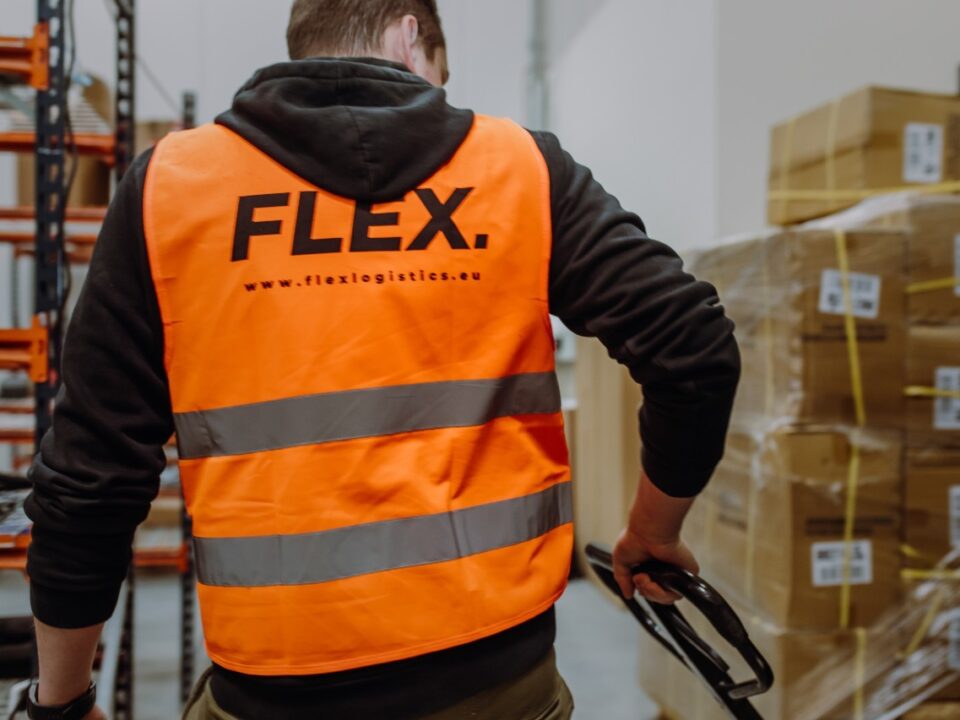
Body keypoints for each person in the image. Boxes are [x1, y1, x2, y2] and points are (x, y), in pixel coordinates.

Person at [23, 1, 740, 718]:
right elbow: (694, 348)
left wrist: (61, 700)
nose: (443, 96)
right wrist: (653, 532)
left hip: (276, 697)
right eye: (442, 73)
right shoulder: (517, 168)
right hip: (500, 688)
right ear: (408, 34)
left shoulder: (170, 190)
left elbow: (90, 476)